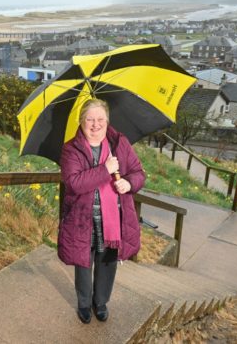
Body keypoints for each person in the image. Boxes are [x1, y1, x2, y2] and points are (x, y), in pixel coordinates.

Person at [59, 98, 145, 324]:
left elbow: (138, 173)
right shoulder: (71, 149)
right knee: (84, 264)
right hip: (82, 218)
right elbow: (75, 183)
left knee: (107, 262)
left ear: (107, 121)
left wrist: (129, 183)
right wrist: (105, 169)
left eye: (100, 119)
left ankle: (101, 302)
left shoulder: (119, 144)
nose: (95, 125)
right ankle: (85, 304)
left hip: (112, 219)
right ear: (81, 121)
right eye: (89, 119)